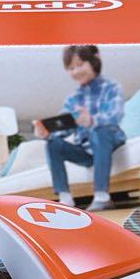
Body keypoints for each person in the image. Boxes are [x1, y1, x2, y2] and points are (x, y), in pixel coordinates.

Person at [34, 44, 125, 211]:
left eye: (80, 64)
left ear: (95, 60)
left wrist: (92, 121)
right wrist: (47, 132)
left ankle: (102, 196)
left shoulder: (111, 87)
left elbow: (115, 116)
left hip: (109, 141)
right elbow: (64, 128)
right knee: (53, 144)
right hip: (85, 151)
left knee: (98, 131)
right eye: (71, 68)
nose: (76, 71)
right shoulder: (72, 99)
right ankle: (65, 199)